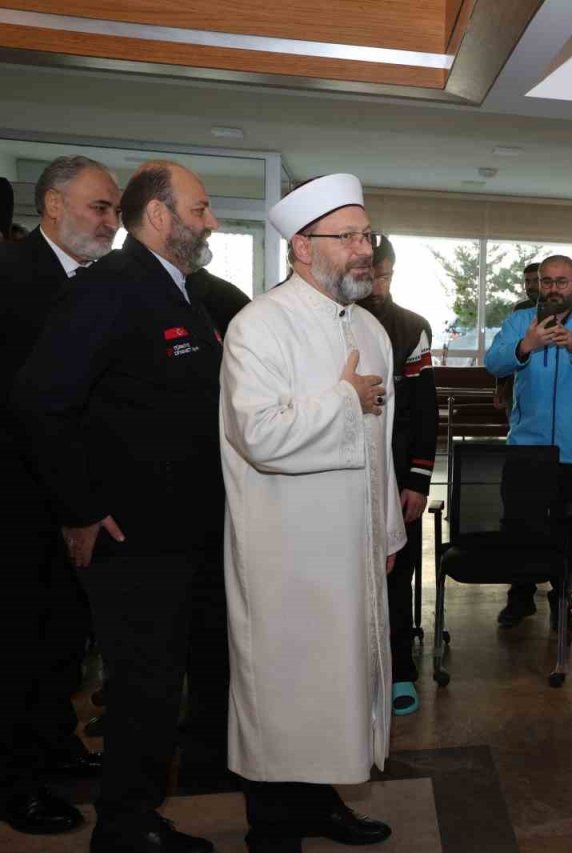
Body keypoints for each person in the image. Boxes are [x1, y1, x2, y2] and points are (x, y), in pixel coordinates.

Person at [11, 159, 222, 853]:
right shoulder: (112, 286)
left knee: (158, 688)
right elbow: (41, 400)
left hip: (179, 532)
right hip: (134, 538)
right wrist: (79, 508)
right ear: (159, 216)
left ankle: (137, 815)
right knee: (141, 691)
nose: (211, 221)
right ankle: (127, 829)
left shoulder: (177, 291)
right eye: (200, 209)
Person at [220, 174, 405, 853]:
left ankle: (322, 802)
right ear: (302, 246)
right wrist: (342, 399)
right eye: (347, 236)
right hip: (286, 555)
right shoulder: (258, 325)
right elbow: (258, 434)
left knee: (338, 685)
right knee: (285, 688)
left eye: (366, 235)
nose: (364, 249)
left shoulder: (370, 328)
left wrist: (387, 528)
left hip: (352, 546)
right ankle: (272, 827)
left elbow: (381, 443)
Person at [0, 156, 119, 836]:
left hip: (74, 498)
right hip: (19, 500)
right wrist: (74, 503)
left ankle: (54, 744)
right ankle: (15, 784)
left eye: (114, 210)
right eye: (99, 207)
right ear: (52, 205)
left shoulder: (99, 284)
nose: (110, 222)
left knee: (62, 639)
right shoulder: (12, 278)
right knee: (18, 644)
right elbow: (28, 406)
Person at [484, 254, 572, 631]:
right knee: (520, 524)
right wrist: (525, 345)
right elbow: (493, 363)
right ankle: (520, 595)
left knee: (571, 529)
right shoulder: (519, 321)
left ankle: (563, 597)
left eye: (562, 282)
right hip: (526, 448)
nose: (553, 289)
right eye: (547, 281)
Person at [358, 235, 440, 717]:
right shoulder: (332, 319)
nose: (378, 285)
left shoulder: (411, 327)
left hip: (398, 475)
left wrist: (418, 480)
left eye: (385, 275)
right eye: (371, 275)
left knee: (397, 575)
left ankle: (400, 669)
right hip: (346, 473)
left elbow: (425, 410)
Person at [494, 261, 543, 414]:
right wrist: (500, 385)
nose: (531, 286)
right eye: (527, 281)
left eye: (536, 281)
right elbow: (508, 348)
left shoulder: (561, 309)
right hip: (516, 384)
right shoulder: (520, 310)